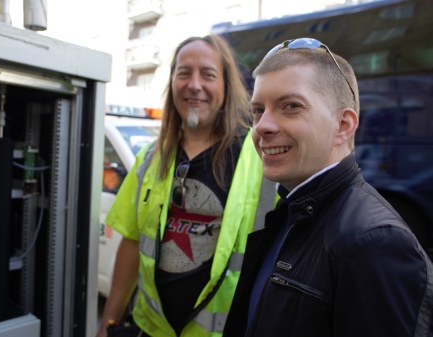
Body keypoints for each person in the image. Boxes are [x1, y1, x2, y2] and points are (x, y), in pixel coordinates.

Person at [222, 37, 433, 337]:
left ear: (344, 125)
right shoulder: (291, 210)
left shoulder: (375, 244)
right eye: (258, 110)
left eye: (290, 106)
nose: (262, 127)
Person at [96, 34, 274, 337]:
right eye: (183, 73)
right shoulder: (149, 159)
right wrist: (108, 323)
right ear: (172, 84)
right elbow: (131, 243)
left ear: (226, 86)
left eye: (208, 74)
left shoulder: (261, 160)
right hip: (151, 329)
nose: (194, 84)